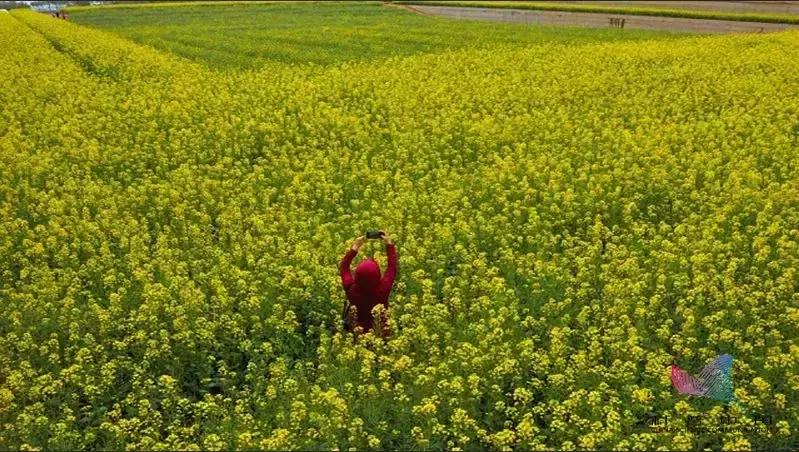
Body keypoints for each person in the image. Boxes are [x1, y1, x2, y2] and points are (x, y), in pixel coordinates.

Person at [339, 231, 397, 337]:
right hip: (382, 334)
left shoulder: (351, 289)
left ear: (356, 275)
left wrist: (355, 247)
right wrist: (389, 244)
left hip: (357, 334)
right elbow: (392, 267)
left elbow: (344, 267)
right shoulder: (383, 289)